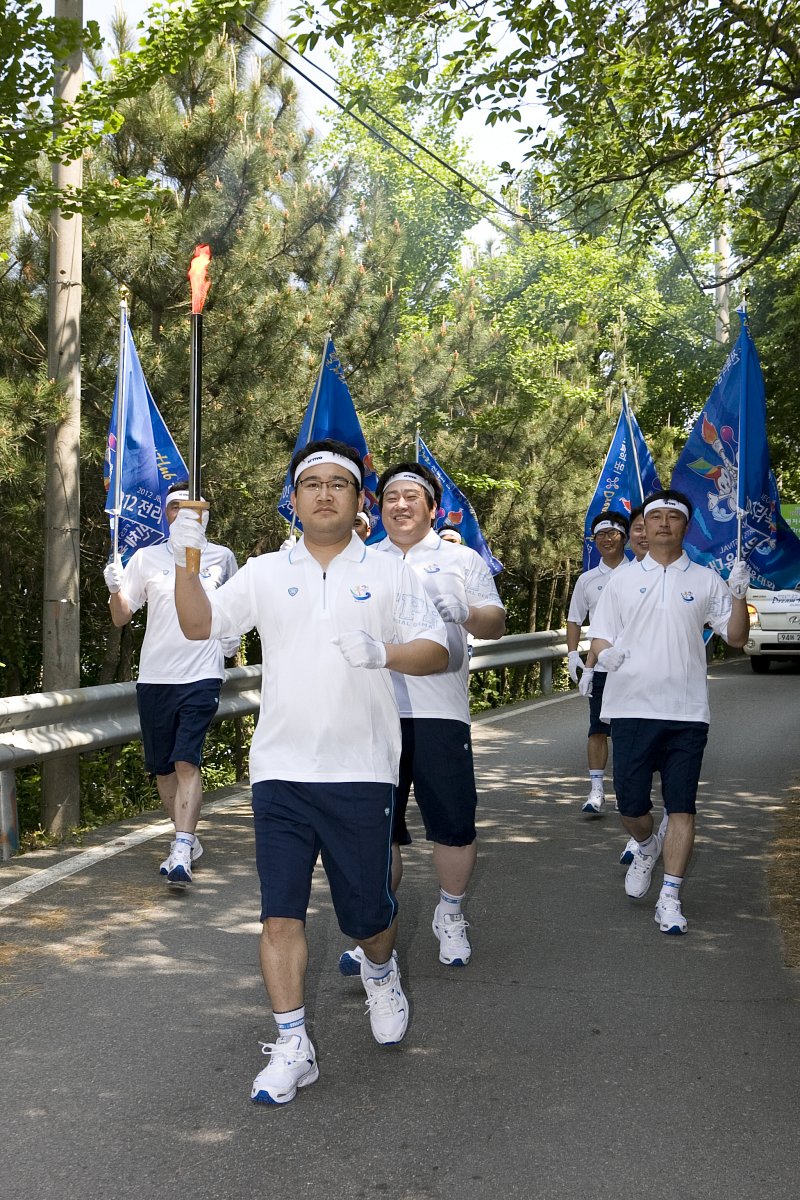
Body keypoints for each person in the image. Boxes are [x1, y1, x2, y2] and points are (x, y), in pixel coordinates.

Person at [169, 438, 448, 1105]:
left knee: (365, 916)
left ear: (360, 502)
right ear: (293, 500)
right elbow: (198, 623)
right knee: (279, 913)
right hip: (281, 769)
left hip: (361, 769)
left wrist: (385, 651)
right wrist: (187, 555)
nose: (324, 493)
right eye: (311, 484)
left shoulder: (388, 574)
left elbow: (440, 651)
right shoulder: (266, 571)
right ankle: (293, 1042)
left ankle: (381, 971)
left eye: (338, 485)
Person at [340, 461, 505, 973]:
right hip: (374, 712)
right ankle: (375, 927)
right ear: (378, 505)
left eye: (412, 496)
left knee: (452, 827)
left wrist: (466, 611)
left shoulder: (461, 559)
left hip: (439, 711)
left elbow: (496, 623)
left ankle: (450, 913)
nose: (401, 504)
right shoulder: (358, 560)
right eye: (391, 496)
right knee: (374, 831)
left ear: (432, 508)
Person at [589, 489, 750, 935]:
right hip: (631, 707)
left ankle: (671, 896)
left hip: (686, 711)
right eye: (654, 516)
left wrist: (738, 595)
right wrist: (604, 657)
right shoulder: (621, 580)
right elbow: (600, 638)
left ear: (685, 526)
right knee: (632, 807)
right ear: (643, 526)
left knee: (682, 807)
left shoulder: (704, 579)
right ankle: (645, 844)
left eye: (672, 517)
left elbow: (735, 637)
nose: (662, 524)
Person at [103, 482, 239, 884]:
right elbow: (121, 617)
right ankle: (185, 835)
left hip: (202, 672)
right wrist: (114, 589)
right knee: (164, 769)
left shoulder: (221, 557)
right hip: (156, 676)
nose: (184, 513)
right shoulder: (146, 558)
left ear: (205, 515)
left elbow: (233, 606)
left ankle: (181, 846)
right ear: (167, 514)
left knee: (186, 759)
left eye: (192, 507)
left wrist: (230, 640)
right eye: (176, 507)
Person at [566, 510, 630, 814]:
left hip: (634, 668)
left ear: (625, 537)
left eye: (612, 533)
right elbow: (575, 618)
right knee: (597, 730)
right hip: (601, 668)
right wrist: (573, 655)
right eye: (600, 535)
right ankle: (596, 791)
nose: (606, 539)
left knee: (630, 732)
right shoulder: (588, 580)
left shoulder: (640, 574)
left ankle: (629, 790)